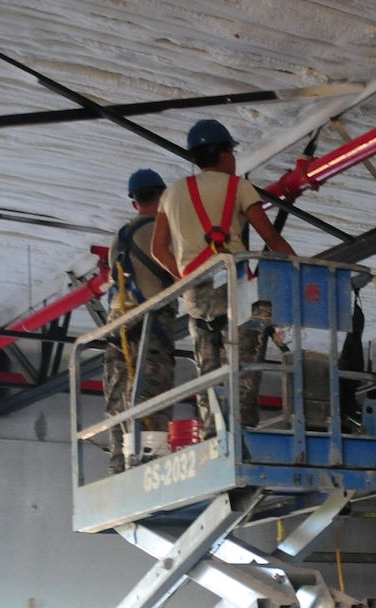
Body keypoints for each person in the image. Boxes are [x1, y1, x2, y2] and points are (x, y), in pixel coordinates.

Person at [150, 119, 294, 441]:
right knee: (241, 371)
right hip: (235, 289)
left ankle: (215, 438)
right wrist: (300, 270)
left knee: (209, 371)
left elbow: (158, 248)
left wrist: (185, 277)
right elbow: (270, 237)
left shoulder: (171, 194)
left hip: (197, 297)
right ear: (226, 154)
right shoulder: (238, 187)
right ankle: (242, 437)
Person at [102, 168, 180, 472]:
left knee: (119, 407)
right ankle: (151, 472)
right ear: (162, 197)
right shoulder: (165, 232)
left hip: (116, 333)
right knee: (151, 406)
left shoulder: (119, 238)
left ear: (134, 203)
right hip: (150, 334)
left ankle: (119, 470)